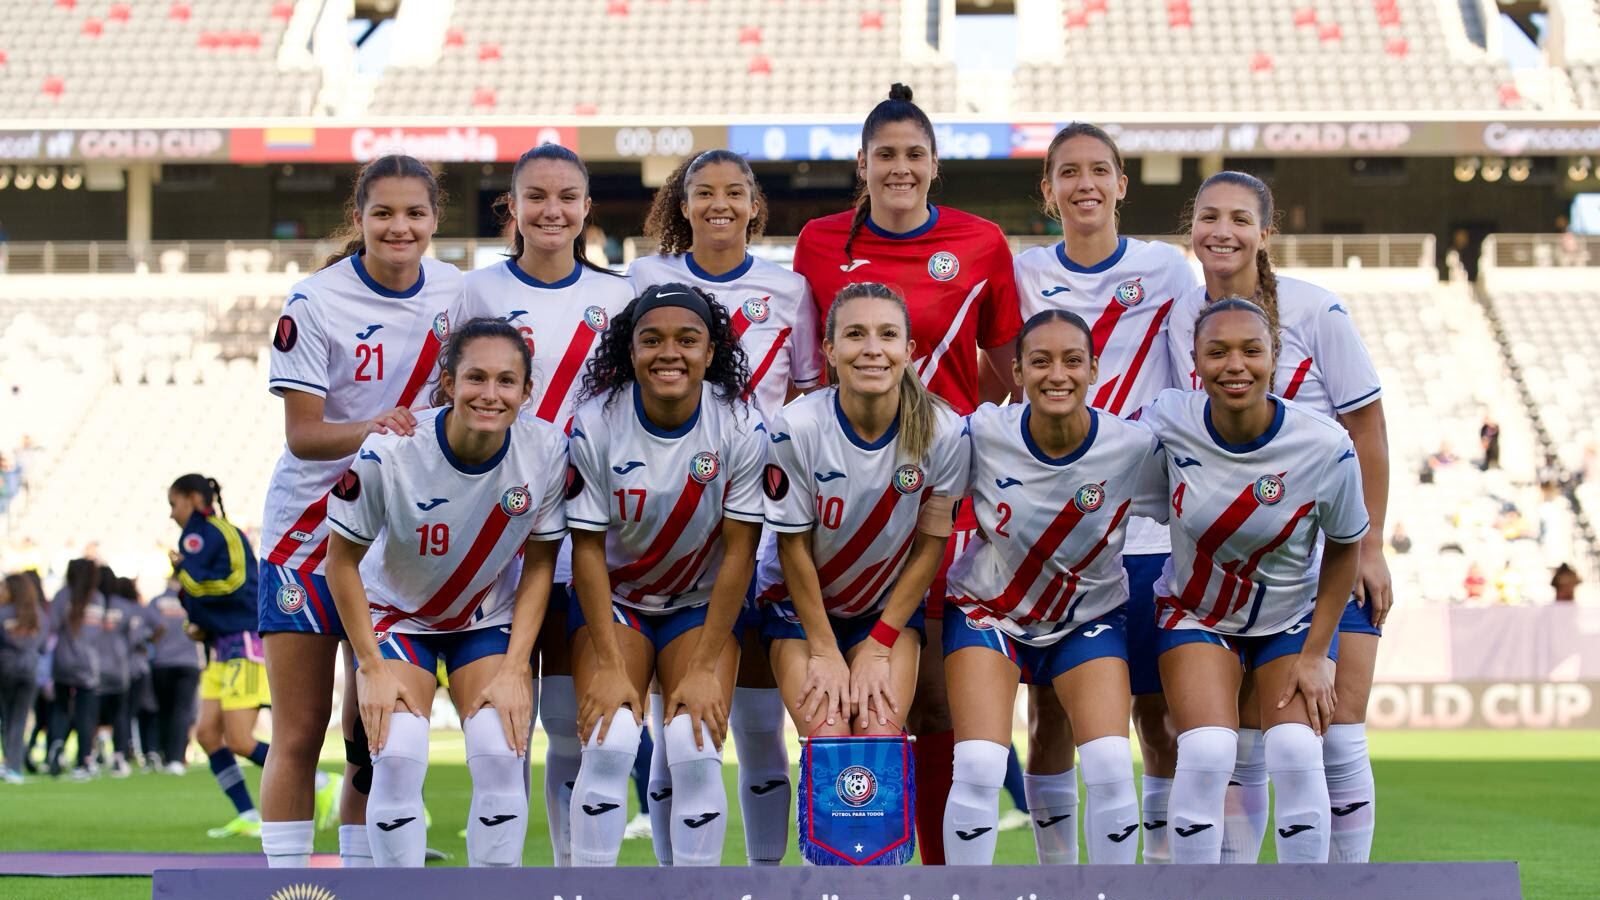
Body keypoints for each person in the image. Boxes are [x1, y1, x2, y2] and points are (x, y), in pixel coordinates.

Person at [791, 84, 1022, 863]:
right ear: (861, 164)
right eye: (884, 155)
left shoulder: (983, 242)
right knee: (851, 701)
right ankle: (856, 862)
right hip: (848, 495)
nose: (899, 168)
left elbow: (1006, 371)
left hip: (941, 492)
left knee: (929, 698)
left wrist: (954, 434)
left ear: (935, 165)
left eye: (913, 155)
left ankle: (938, 871)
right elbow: (808, 368)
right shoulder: (819, 241)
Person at [1168, 171, 1392, 864]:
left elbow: (1367, 428)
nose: (1222, 231)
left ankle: (1345, 884)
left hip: (1327, 552)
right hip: (1234, 567)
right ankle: (1238, 881)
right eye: (1209, 217)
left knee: (1338, 731)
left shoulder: (1315, 309)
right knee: (1241, 744)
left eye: (1240, 218)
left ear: (1267, 232)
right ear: (1192, 229)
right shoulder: (1182, 316)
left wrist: (1374, 542)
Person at [258, 154, 462, 868]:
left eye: (414, 213)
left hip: (392, 539)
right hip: (305, 536)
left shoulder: (460, 295)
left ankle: (362, 878)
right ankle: (286, 887)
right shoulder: (315, 302)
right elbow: (304, 435)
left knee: (369, 732)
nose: (399, 227)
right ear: (359, 218)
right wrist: (383, 423)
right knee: (300, 728)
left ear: (435, 219)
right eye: (383, 213)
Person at [1010, 122, 1197, 864]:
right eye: (1068, 172)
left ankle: (1156, 874)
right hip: (1051, 536)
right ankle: (1057, 876)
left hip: (1146, 531)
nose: (1084, 184)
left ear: (1121, 183)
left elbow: (1188, 385)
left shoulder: (1168, 270)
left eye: (1099, 170)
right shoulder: (1023, 273)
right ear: (1049, 190)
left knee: (1158, 718)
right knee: (1049, 715)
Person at [631, 148, 824, 865]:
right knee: (676, 724)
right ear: (681, 205)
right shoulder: (648, 280)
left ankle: (767, 876)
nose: (719, 204)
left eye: (734, 192)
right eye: (703, 192)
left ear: (753, 204)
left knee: (757, 724)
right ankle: (670, 876)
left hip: (766, 529)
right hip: (675, 530)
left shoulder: (789, 289)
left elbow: (803, 397)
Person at [449, 143, 634, 868]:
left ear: (587, 208)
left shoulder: (619, 297)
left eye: (567, 197)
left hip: (589, 530)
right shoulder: (477, 293)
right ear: (513, 208)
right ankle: (500, 877)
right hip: (501, 533)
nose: (551, 210)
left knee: (566, 719)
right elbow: (453, 403)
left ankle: (567, 876)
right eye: (536, 196)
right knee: (504, 727)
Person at [326, 318, 569, 868]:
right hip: (396, 617)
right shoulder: (388, 454)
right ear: (448, 382)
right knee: (398, 754)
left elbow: (540, 563)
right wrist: (369, 666)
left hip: (484, 620)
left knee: (501, 755)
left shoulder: (546, 450)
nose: (490, 394)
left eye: (507, 381)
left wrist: (513, 669)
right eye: (475, 378)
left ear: (526, 392)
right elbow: (339, 562)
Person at [939, 310, 1165, 865]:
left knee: (1112, 763)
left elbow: (1193, 509)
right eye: (1040, 361)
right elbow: (928, 502)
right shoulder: (982, 433)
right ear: (1016, 372)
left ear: (1094, 370)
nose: (1056, 374)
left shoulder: (1133, 447)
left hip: (1087, 618)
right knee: (979, 766)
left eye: (1071, 361)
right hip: (987, 612)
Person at [1147, 297, 1367, 865]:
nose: (1235, 365)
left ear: (1275, 357)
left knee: (1295, 749)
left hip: (1289, 618)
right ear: (1195, 362)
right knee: (1208, 751)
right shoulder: (1167, 419)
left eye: (1251, 350)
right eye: (1217, 352)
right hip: (1196, 612)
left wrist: (1317, 655)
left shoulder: (1324, 445)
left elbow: (1345, 549)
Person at [564, 283, 764, 868]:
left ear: (710, 351)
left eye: (686, 340)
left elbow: (739, 554)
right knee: (610, 743)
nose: (668, 352)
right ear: (630, 351)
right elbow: (588, 550)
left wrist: (703, 667)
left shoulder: (741, 426)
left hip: (700, 603)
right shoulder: (596, 423)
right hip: (618, 598)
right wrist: (605, 660)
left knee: (694, 746)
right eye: (651, 340)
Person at [756, 283, 966, 748]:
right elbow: (792, 546)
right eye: (855, 335)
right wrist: (826, 650)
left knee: (878, 740)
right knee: (831, 739)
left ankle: (894, 825)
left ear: (908, 350)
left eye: (887, 335)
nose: (873, 350)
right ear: (829, 350)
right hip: (800, 609)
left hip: (883, 611)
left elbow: (931, 546)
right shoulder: (798, 427)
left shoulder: (945, 432)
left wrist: (879, 643)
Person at [170, 474, 278, 838]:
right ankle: (248, 814)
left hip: (244, 644)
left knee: (240, 740)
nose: (172, 515)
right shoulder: (198, 538)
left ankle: (319, 781)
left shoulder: (222, 532)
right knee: (206, 734)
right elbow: (207, 595)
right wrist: (199, 623)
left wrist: (185, 576)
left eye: (174, 504)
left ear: (192, 498)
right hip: (220, 647)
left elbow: (236, 583)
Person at [47, 559, 102, 779]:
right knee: (84, 714)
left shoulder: (62, 596)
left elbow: (51, 626)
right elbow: (100, 635)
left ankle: (57, 745)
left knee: (60, 708)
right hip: (89, 664)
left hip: (63, 660)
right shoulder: (97, 598)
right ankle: (83, 760)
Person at [147, 577, 203, 773]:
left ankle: (163, 754)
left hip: (162, 663)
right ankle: (177, 758)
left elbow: (150, 634)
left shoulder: (156, 602)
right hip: (188, 662)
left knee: (164, 710)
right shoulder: (194, 599)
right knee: (182, 711)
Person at [94, 572, 144, 778]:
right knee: (121, 715)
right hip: (119, 668)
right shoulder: (125, 607)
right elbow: (136, 637)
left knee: (91, 714)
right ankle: (118, 757)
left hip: (93, 668)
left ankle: (89, 756)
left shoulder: (90, 604)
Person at [1, 573, 46, 782]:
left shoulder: (3, 613)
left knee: (7, 718)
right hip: (29, 670)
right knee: (19, 718)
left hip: (5, 669)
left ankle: (10, 763)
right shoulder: (37, 615)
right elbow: (43, 645)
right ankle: (14, 766)